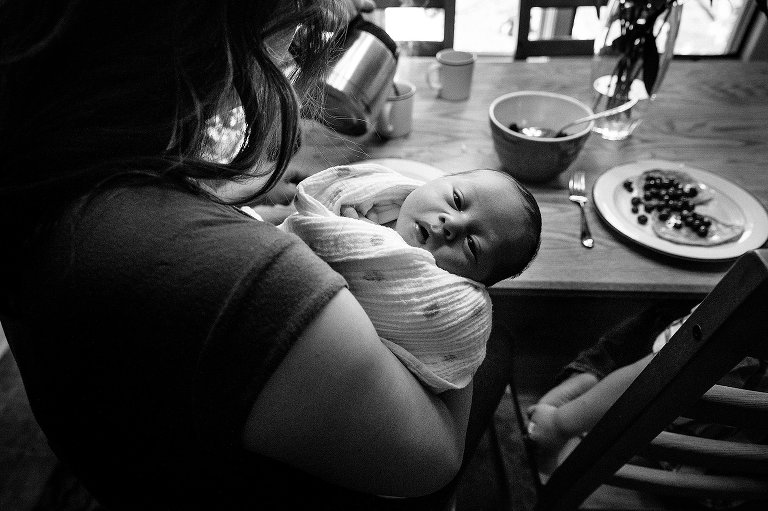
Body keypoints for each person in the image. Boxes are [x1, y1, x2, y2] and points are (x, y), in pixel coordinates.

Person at [0, 1, 520, 509]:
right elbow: (434, 460)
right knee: (497, 349)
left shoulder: (47, 162)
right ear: (206, 37)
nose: (291, 55)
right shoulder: (237, 272)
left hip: (126, 462)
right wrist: (457, 308)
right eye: (288, 32)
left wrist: (230, 196)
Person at [277, 162, 541, 393]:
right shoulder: (380, 196)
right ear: (440, 179)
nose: (452, 224)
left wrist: (355, 232)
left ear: (475, 282)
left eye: (472, 245)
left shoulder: (447, 295)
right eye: (458, 200)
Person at [526, 303, 768, 481]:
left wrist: (560, 424)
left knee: (655, 318)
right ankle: (590, 395)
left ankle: (569, 412)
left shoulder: (744, 322)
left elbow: (656, 373)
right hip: (734, 477)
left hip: (667, 440)